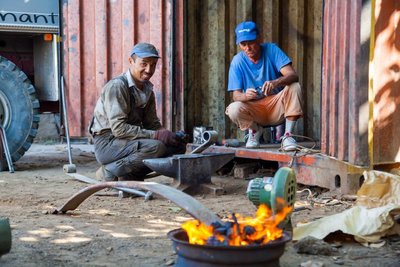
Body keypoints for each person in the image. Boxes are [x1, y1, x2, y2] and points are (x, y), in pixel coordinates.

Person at [89, 42, 186, 181]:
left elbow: (152, 124)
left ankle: (129, 175)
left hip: (128, 141)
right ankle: (109, 171)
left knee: (177, 148)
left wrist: (171, 136)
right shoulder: (118, 86)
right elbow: (119, 129)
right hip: (108, 143)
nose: (148, 69)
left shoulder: (147, 91)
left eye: (153, 65)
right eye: (144, 64)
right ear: (131, 61)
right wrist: (157, 135)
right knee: (155, 147)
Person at [225, 21, 303, 150]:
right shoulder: (237, 61)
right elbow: (236, 95)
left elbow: (293, 75)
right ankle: (255, 131)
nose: (247, 48)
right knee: (233, 109)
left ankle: (288, 135)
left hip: (276, 107)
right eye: (243, 44)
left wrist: (276, 82)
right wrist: (246, 96)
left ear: (259, 39)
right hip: (255, 109)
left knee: (295, 86)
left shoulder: (271, 49)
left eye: (251, 43)